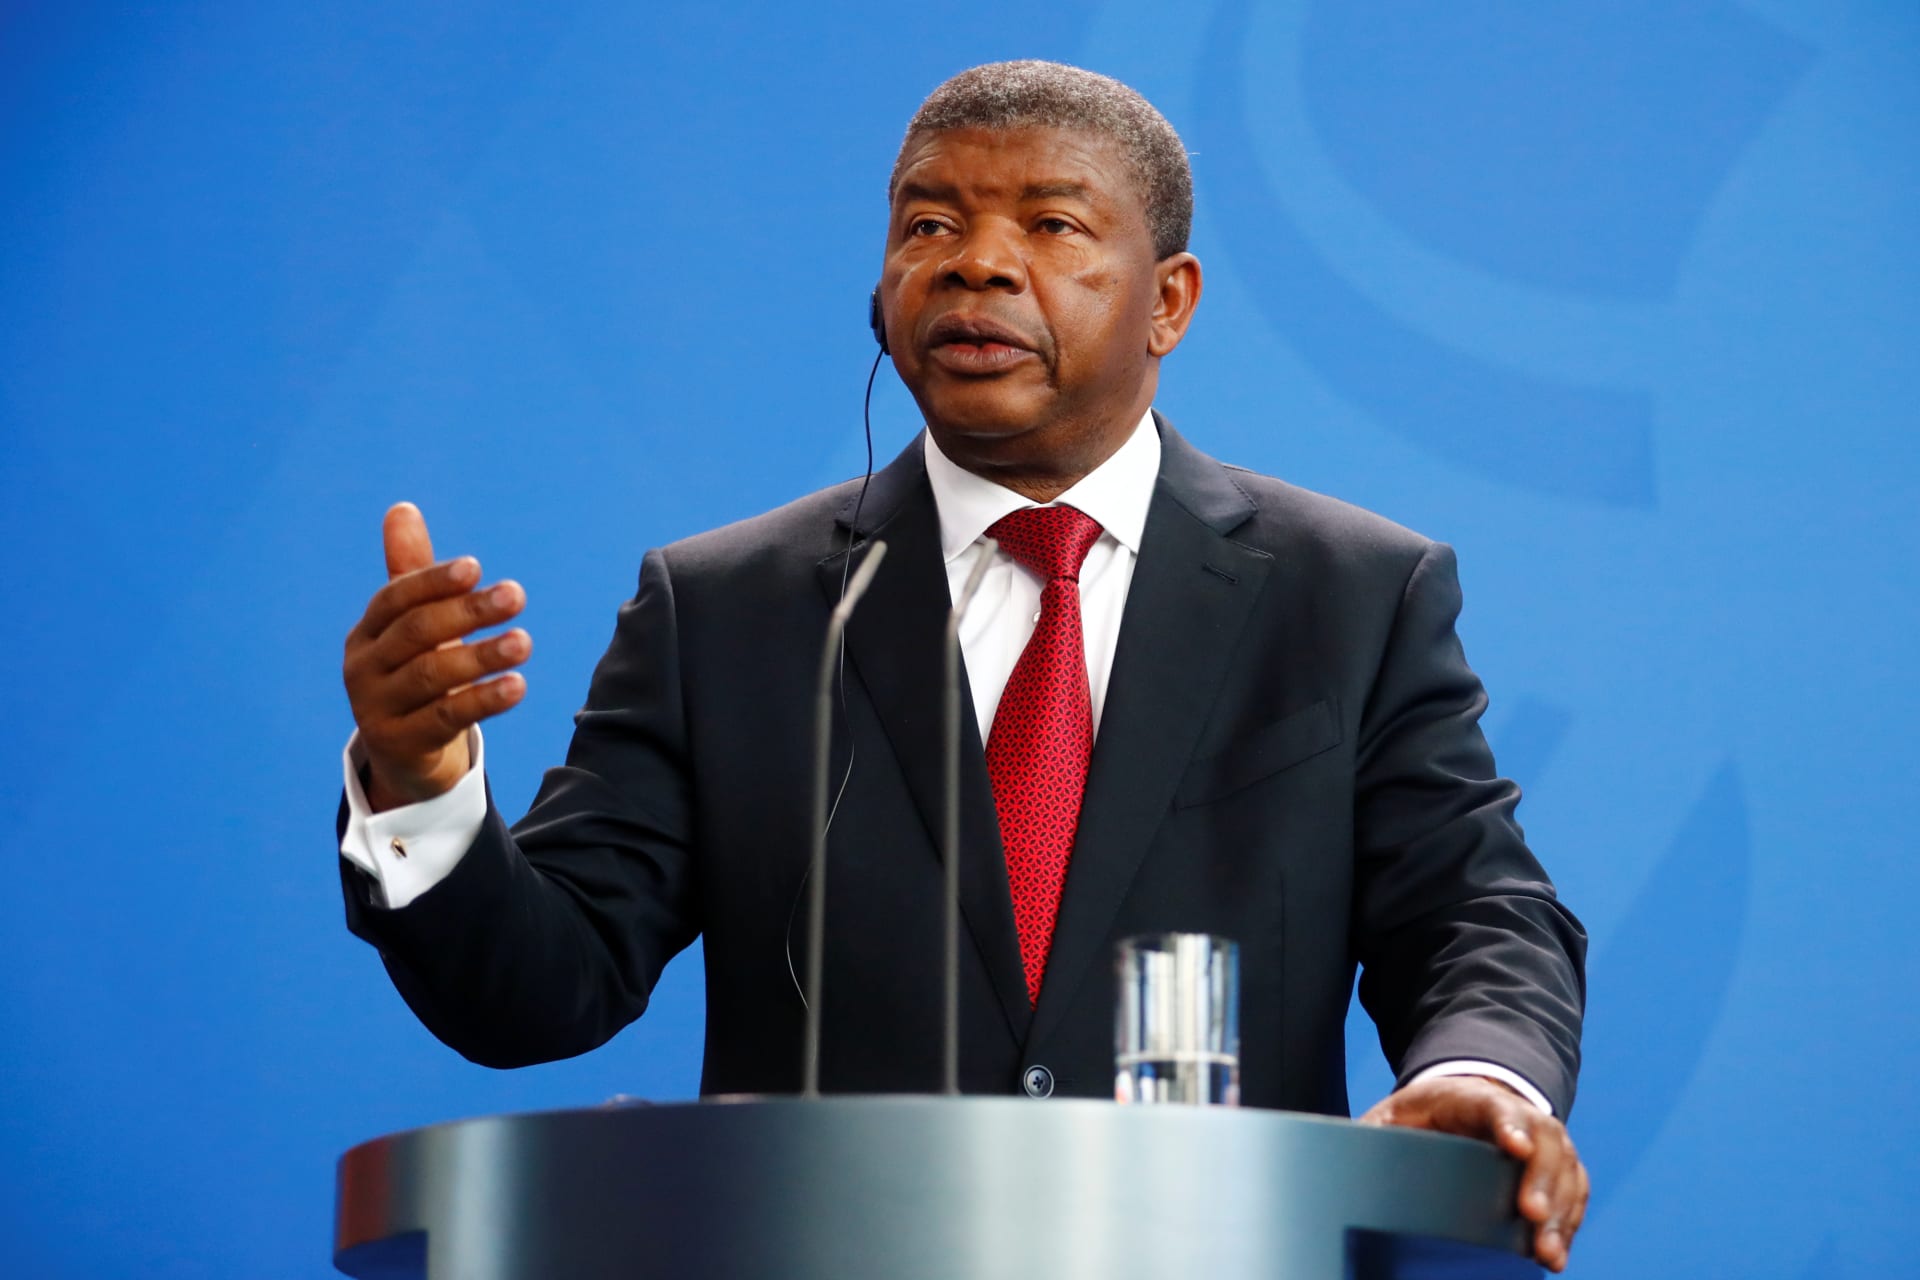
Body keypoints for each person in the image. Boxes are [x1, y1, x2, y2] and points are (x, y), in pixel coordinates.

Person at [337, 61, 1590, 1270]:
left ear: (1169, 301)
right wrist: (420, 783)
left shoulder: (1352, 592)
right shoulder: (723, 606)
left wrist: (1476, 1074)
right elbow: (540, 990)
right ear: (884, 290)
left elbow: (1476, 908)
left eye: (1050, 224)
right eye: (930, 222)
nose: (977, 261)